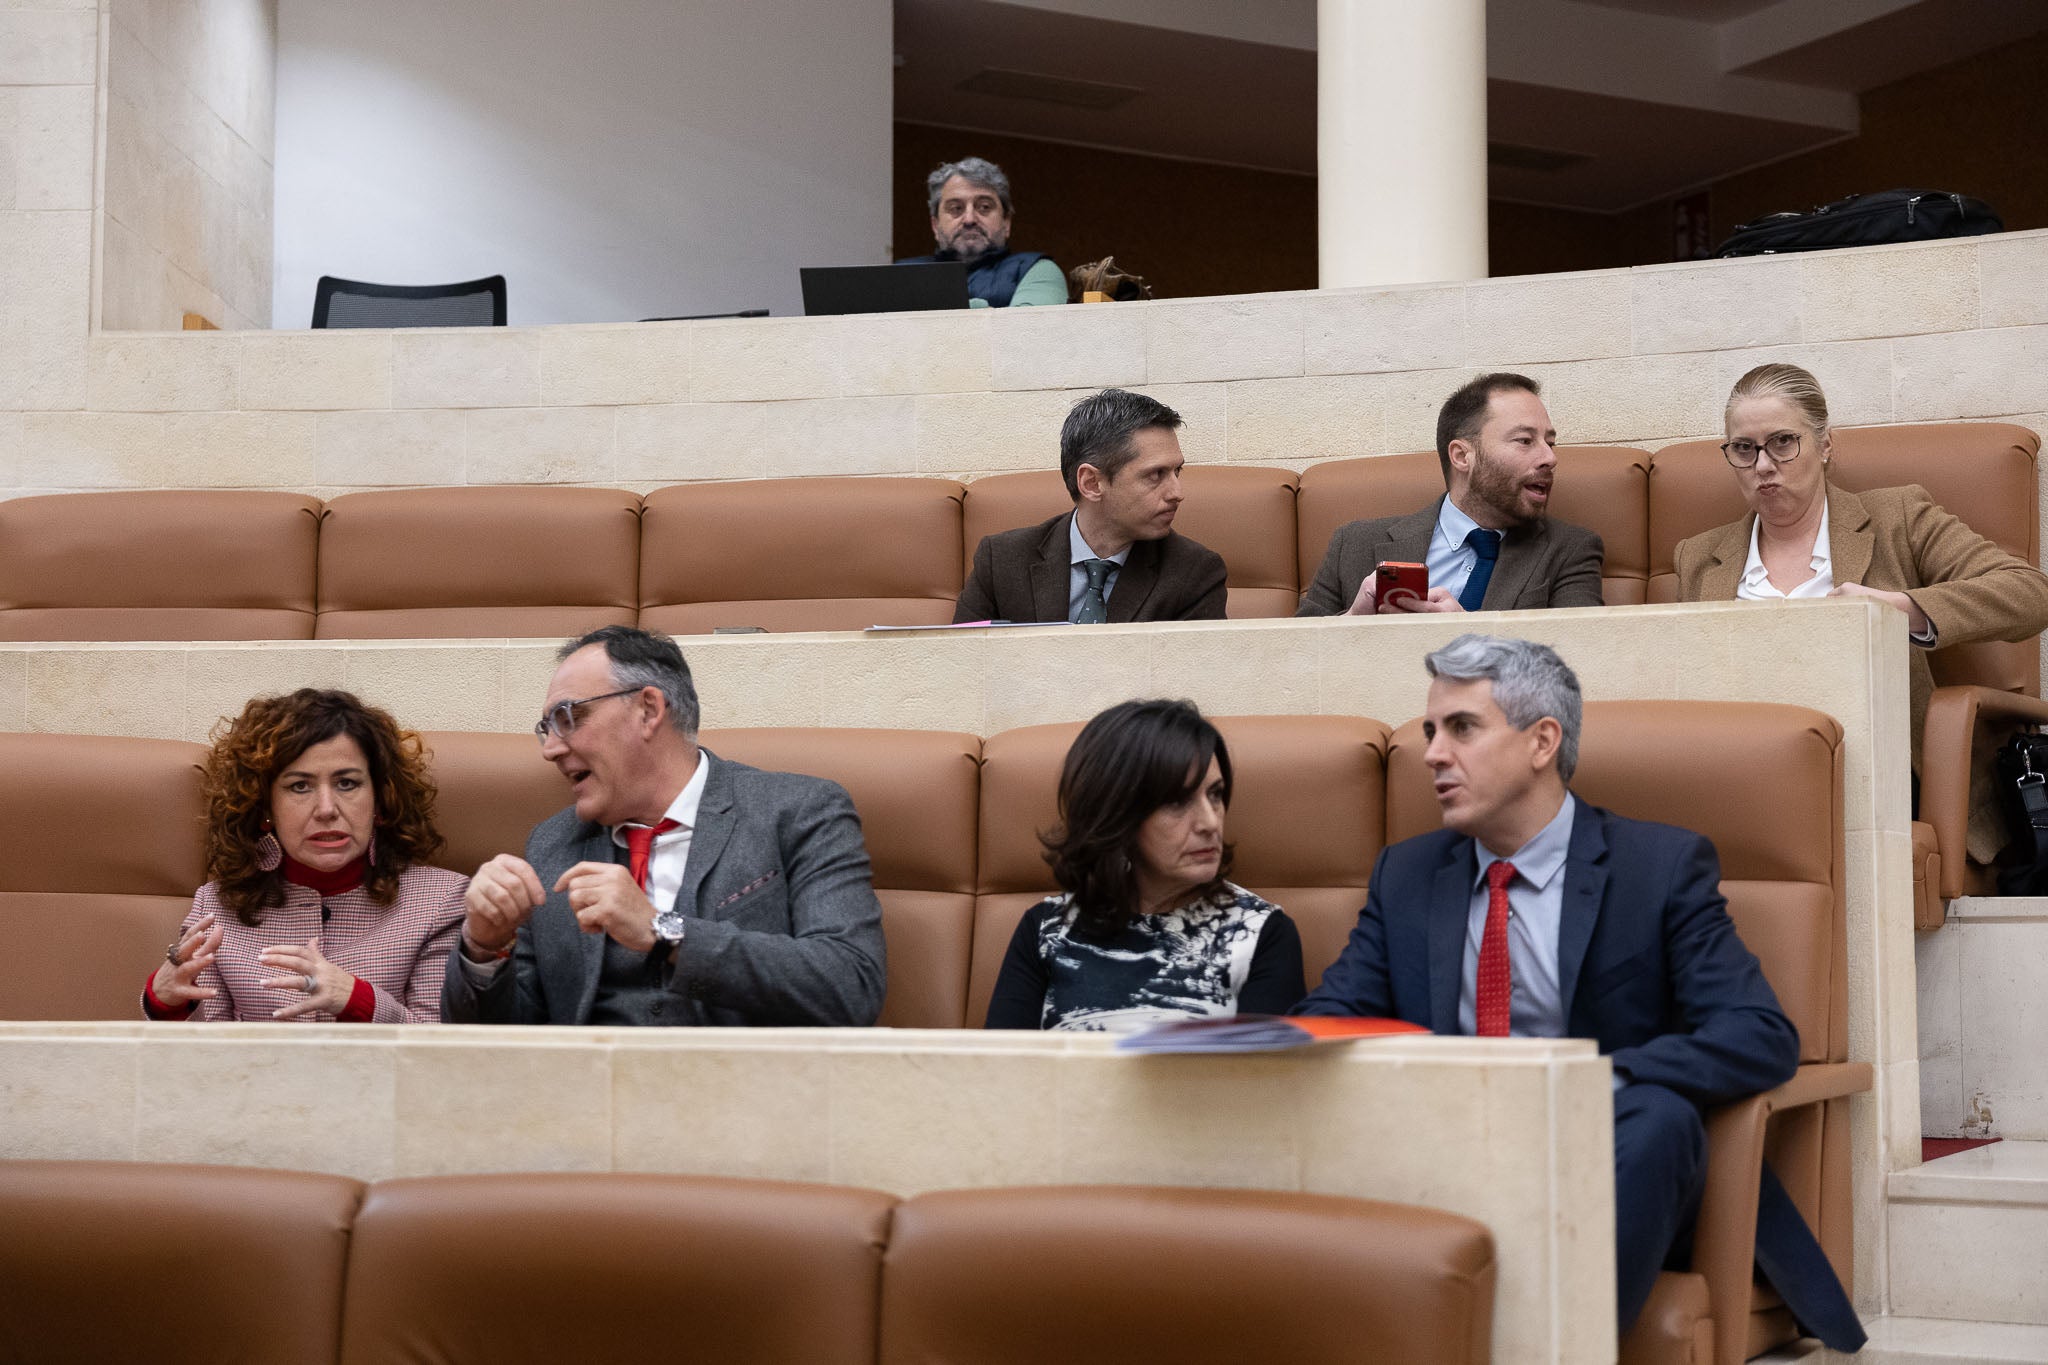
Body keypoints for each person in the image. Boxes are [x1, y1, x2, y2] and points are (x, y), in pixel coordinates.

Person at [1295, 635, 1862, 1349]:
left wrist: (1594, 1078)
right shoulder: (1406, 875)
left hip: (1602, 1151)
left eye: (1463, 728)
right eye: (1432, 730)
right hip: (1445, 1146)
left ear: (1542, 742)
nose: (1434, 752)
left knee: (1662, 1117)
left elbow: (1758, 1032)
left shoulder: (1657, 867)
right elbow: (1333, 1015)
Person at [1677, 361, 2048, 848]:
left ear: (1825, 445)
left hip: (1874, 768)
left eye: (1783, 442)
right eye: (1744, 449)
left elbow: (2029, 594)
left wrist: (1900, 610)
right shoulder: (1699, 557)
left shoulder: (1897, 517)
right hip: (1743, 770)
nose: (1763, 465)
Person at [441, 625, 886, 1027]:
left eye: (568, 717)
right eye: (546, 728)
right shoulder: (553, 845)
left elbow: (851, 985)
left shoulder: (798, 810)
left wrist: (663, 931)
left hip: (750, 1098)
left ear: (648, 709)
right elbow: (503, 1041)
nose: (551, 750)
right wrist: (482, 948)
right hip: (588, 1103)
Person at [144, 689, 465, 1023]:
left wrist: (357, 1000)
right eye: (300, 786)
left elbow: (439, 1051)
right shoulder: (217, 906)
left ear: (381, 800)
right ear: (266, 807)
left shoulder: (439, 902)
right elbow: (201, 1058)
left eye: (347, 783)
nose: (327, 810)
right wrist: (167, 1004)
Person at [985, 699, 1304, 1029]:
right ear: (1119, 815)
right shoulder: (1047, 928)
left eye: (1215, 793)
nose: (1210, 822)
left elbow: (1266, 1077)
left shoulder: (1260, 932)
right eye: (1178, 801)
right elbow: (996, 1072)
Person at [1297, 373, 1605, 617]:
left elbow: (1577, 659)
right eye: (1525, 441)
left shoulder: (1570, 551)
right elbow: (1294, 655)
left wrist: (1466, 633)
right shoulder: (1354, 544)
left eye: (1550, 442)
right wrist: (1352, 622)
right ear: (1461, 456)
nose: (1549, 458)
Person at [954, 388, 1228, 624]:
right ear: (1092, 483)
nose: (1177, 493)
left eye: (1176, 472)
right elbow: (964, 665)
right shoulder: (1002, 560)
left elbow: (1191, 680)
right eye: (1155, 475)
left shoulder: (1195, 572)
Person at [897, 156, 1066, 308]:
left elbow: (1029, 332)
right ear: (935, 225)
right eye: (956, 208)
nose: (969, 219)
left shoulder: (1035, 268)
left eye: (984, 207)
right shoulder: (900, 275)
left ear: (1006, 222)